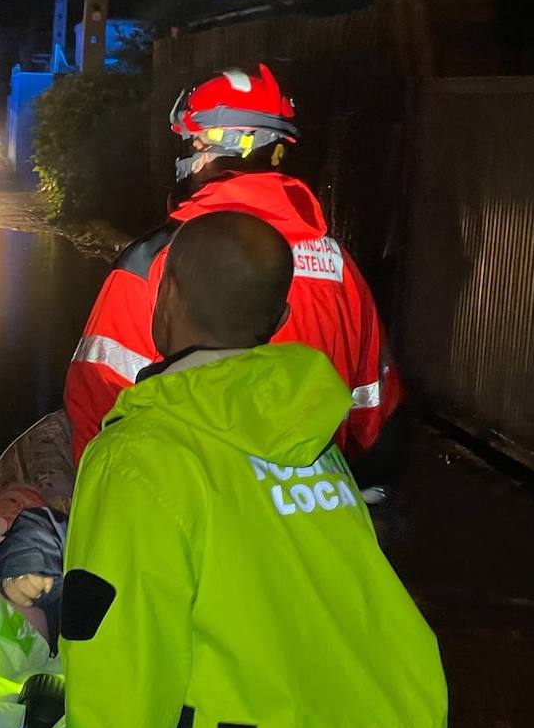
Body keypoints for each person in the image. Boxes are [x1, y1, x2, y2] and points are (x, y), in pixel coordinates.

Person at [61, 212, 448, 728]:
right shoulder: (312, 440)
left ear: (165, 300)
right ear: (276, 321)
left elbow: (120, 643)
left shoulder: (142, 454)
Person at [63, 64, 403, 466]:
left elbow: (96, 409)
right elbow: (374, 415)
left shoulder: (153, 263)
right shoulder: (340, 267)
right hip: (307, 505)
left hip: (182, 508)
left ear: (208, 149)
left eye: (191, 145)